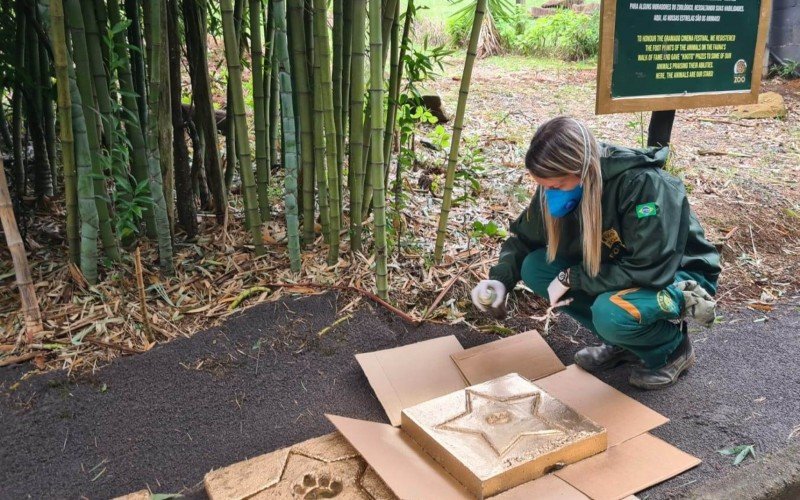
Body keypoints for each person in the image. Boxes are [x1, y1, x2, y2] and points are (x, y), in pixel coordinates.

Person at [472, 116, 721, 390]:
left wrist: (573, 277)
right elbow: (525, 239)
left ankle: (670, 349)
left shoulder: (643, 185)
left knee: (611, 312)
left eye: (555, 187)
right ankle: (624, 342)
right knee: (535, 266)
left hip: (674, 276)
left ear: (581, 169)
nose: (548, 194)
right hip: (617, 267)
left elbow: (649, 269)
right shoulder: (560, 184)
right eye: (543, 186)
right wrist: (500, 279)